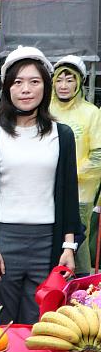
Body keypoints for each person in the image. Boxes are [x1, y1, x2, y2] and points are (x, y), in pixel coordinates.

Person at [0, 46, 82, 325]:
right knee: (1, 322)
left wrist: (69, 247)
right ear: (7, 88)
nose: (26, 89)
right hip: (4, 242)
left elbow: (69, 194)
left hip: (47, 242)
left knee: (41, 321)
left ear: (45, 87)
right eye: (18, 82)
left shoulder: (62, 135)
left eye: (34, 82)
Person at [49, 55, 101, 276]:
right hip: (45, 189)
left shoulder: (91, 113)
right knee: (50, 241)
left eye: (70, 80)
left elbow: (98, 156)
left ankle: (78, 291)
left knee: (76, 242)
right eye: (59, 80)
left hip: (80, 193)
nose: (64, 85)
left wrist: (70, 178)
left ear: (79, 82)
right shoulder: (45, 109)